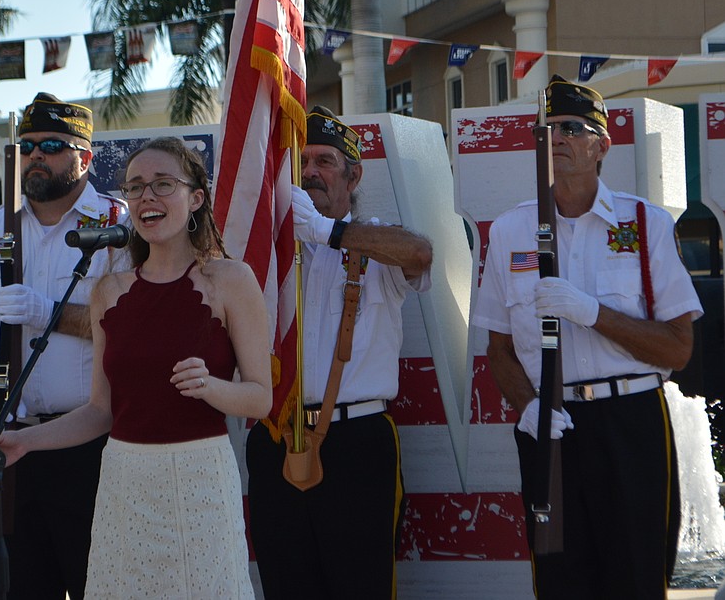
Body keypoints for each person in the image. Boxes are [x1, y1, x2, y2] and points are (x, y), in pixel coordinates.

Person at [0, 136, 272, 599]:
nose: (147, 197)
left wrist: (212, 387)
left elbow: (261, 396)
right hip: (123, 483)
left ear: (196, 198)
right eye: (135, 188)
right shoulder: (108, 291)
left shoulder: (231, 280)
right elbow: (101, 411)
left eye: (162, 184)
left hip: (199, 480)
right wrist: (23, 442)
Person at [472, 75, 703, 599]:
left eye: (572, 128)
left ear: (603, 145)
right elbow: (499, 349)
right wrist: (527, 406)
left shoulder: (644, 225)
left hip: (630, 424)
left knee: (637, 579)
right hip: (551, 427)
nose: (557, 137)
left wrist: (593, 313)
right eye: (547, 128)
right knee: (559, 583)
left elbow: (678, 348)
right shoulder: (510, 231)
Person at [0, 93, 127, 600]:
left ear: (84, 157)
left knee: (102, 587)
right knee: (19, 586)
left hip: (96, 445)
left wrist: (51, 313)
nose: (35, 156)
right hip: (12, 445)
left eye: (51, 146)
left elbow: (136, 329)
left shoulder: (119, 226)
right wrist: (6, 402)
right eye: (27, 146)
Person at [246, 105, 433, 600]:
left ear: (354, 175)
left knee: (363, 585)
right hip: (276, 436)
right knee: (286, 585)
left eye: (324, 161)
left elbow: (420, 255)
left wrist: (329, 234)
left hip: (357, 442)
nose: (309, 174)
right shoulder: (266, 254)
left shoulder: (374, 239)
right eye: (301, 163)